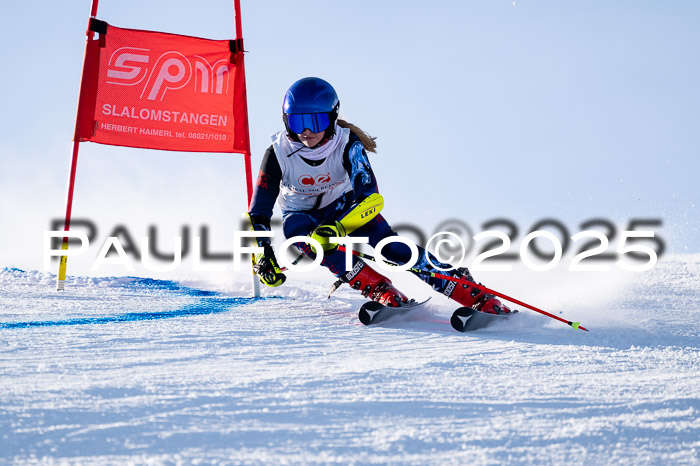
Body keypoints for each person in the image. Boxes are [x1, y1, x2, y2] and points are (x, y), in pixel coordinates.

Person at [247, 77, 511, 314]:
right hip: (300, 212)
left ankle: (467, 290)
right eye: (297, 122)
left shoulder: (347, 144)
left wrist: (338, 226)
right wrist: (263, 252)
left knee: (391, 248)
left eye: (315, 121)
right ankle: (380, 289)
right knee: (306, 241)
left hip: (346, 207)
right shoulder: (278, 152)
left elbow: (371, 199)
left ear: (331, 117)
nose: (305, 131)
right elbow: (259, 211)